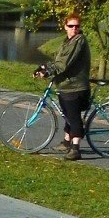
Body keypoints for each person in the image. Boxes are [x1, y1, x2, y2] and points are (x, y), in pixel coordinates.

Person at [36, 13, 92, 160]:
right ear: (65, 26)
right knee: (68, 115)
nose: (74, 29)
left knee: (73, 118)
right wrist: (43, 66)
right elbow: (58, 60)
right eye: (71, 26)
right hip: (65, 84)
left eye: (77, 26)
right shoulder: (67, 41)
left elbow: (64, 64)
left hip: (75, 86)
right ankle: (67, 142)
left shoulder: (78, 40)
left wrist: (48, 72)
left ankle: (75, 149)